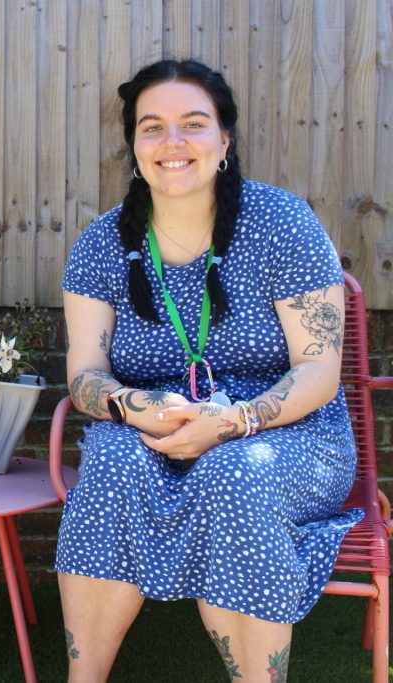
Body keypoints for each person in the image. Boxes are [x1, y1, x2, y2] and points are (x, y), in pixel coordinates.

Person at [56, 59, 361, 682]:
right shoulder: (104, 243)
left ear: (224, 140)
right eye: (152, 127)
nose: (172, 143)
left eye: (193, 124)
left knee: (233, 472)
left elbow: (319, 370)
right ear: (134, 145)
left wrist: (232, 422)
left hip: (284, 432)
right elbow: (85, 373)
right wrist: (128, 405)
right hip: (153, 429)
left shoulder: (283, 225)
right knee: (110, 462)